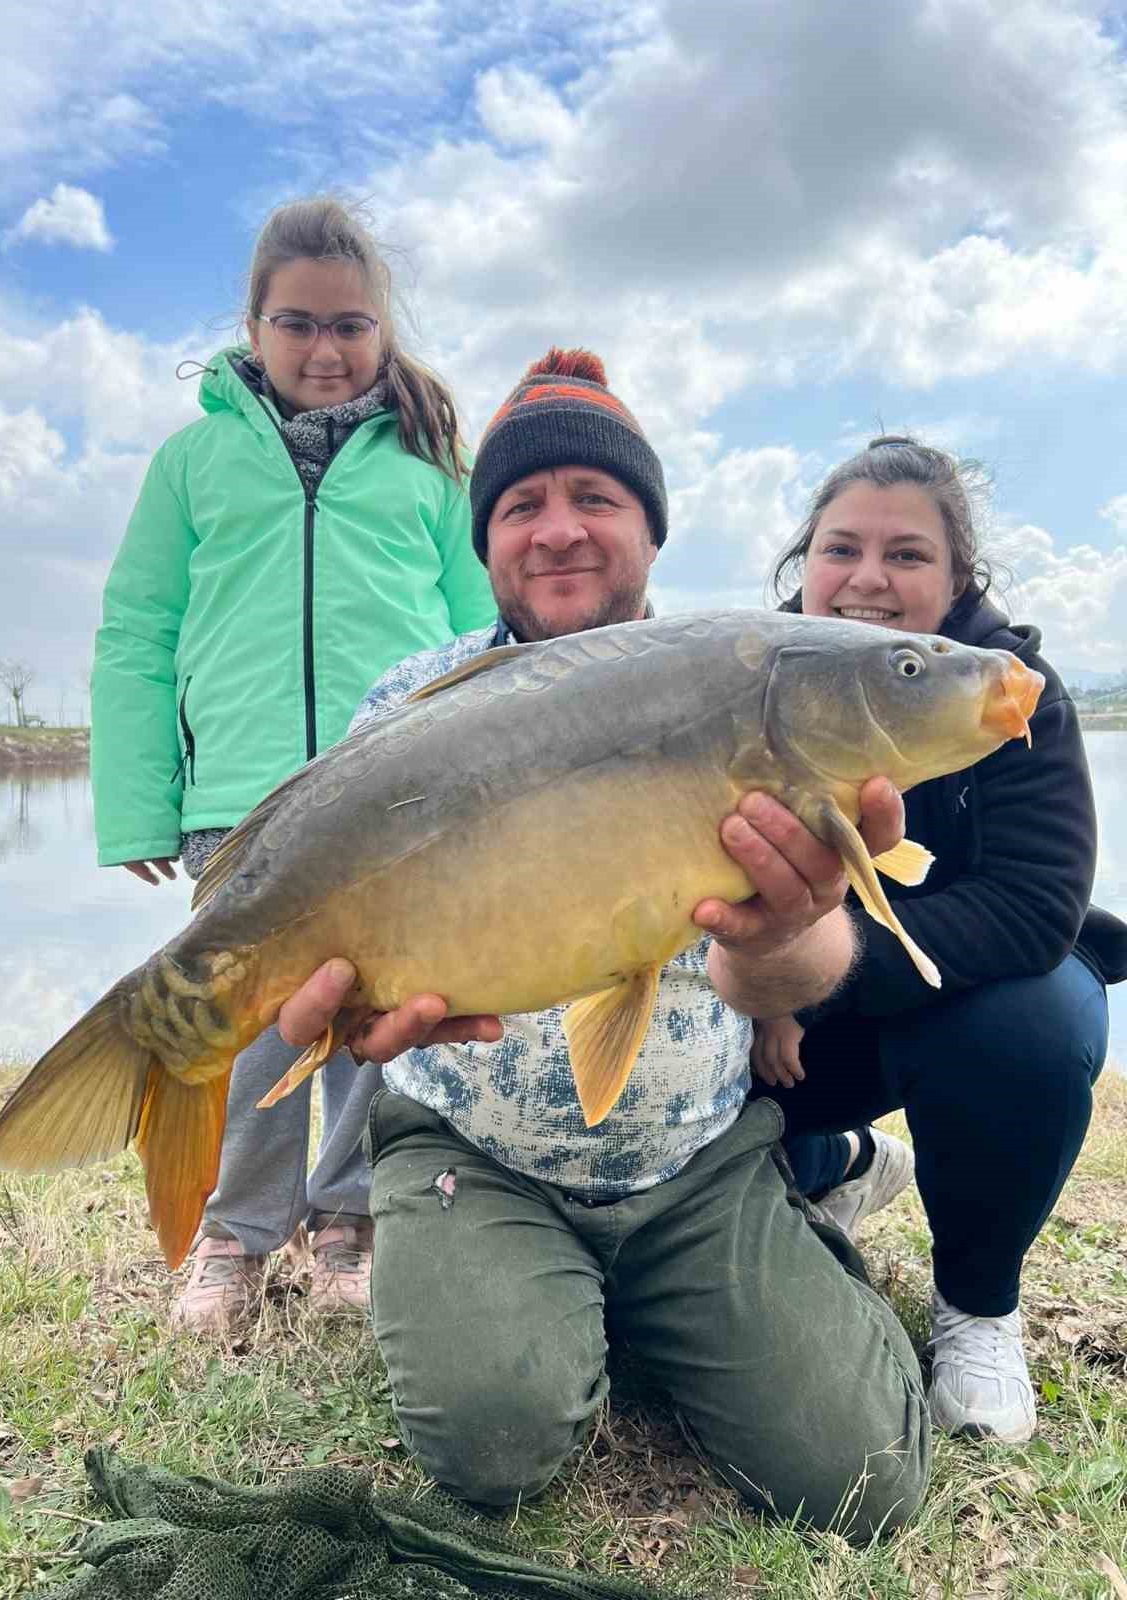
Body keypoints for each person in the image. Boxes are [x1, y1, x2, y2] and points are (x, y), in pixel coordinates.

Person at [267, 352, 932, 1542]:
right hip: (473, 1146)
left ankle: (782, 1231)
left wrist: (784, 935)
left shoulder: (753, 685)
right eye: (522, 505)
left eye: (597, 498)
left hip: (694, 1154)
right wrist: (345, 1009)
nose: (558, 530)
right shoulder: (410, 702)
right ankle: (523, 1291)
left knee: (867, 1481)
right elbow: (345, 956)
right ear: (485, 542)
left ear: (653, 530)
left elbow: (790, 970)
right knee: (496, 1444)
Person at [90, 196, 495, 1333]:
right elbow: (139, 630)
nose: (326, 350)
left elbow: (481, 638)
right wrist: (137, 801)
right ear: (254, 328)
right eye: (298, 324)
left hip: (399, 806)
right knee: (256, 1019)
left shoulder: (429, 464)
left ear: (385, 331)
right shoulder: (193, 462)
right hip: (244, 801)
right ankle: (235, 1231)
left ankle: (349, 1221)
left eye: (351, 326)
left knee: (376, 1015)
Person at [751, 436, 1127, 1445]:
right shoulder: (744, 680)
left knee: (1037, 1023)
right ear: (806, 565)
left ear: (960, 577)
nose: (868, 578)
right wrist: (745, 990)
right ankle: (835, 1160)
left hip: (956, 1004)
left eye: (908, 555)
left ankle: (978, 1302)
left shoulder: (1012, 692)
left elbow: (1035, 903)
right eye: (842, 549)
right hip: (774, 1024)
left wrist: (805, 971)